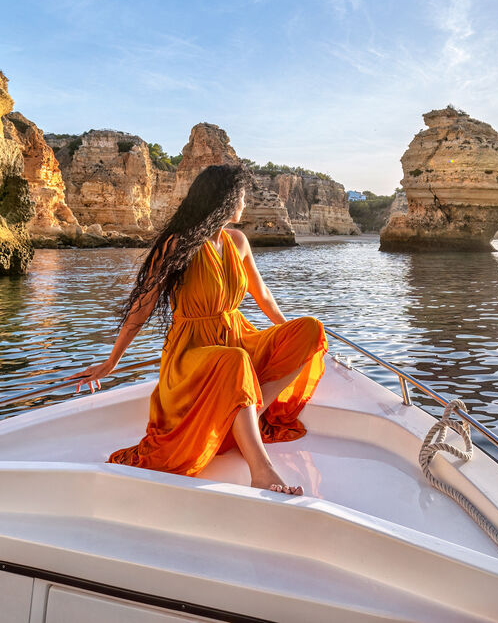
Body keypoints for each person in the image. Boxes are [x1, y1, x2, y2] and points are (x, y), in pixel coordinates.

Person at [73, 163, 327, 495]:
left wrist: (290, 339)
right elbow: (142, 307)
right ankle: (261, 469)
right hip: (192, 352)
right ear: (225, 199)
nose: (245, 203)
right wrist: (112, 361)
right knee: (233, 361)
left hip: (238, 335)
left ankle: (243, 416)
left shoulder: (238, 241)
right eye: (242, 196)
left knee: (310, 329)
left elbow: (263, 296)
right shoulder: (177, 244)